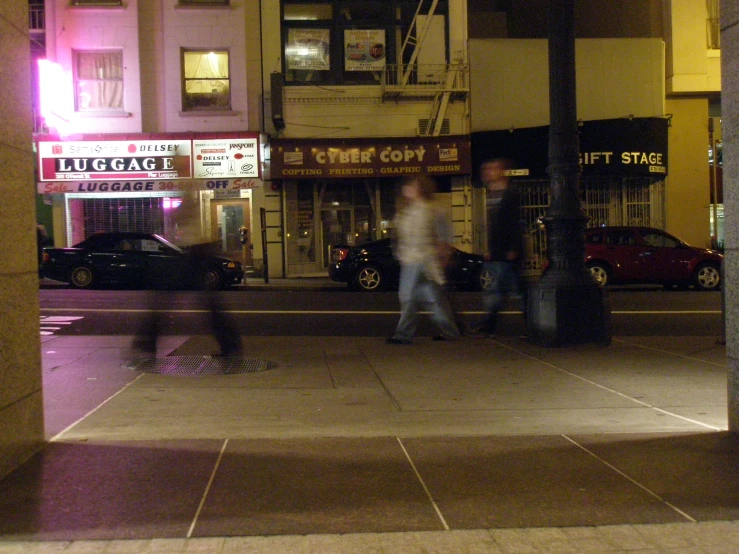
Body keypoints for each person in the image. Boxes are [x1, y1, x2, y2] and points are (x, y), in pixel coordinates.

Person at [133, 194, 242, 357]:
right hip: (195, 250)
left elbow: (182, 214)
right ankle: (230, 344)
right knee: (206, 302)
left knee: (166, 296)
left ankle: (146, 342)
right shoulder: (189, 191)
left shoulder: (189, 188)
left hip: (193, 251)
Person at [387, 175, 460, 344]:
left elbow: (444, 234)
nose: (407, 189)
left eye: (412, 185)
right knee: (432, 299)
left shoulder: (430, 209)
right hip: (414, 260)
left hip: (420, 259)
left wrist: (444, 255)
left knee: (407, 296)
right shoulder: (408, 210)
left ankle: (403, 334)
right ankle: (450, 331)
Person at [475, 158, 526, 337]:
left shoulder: (510, 194)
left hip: (508, 252)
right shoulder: (490, 194)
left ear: (502, 171)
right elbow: (492, 226)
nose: (488, 172)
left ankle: (532, 323)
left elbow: (514, 224)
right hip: (497, 252)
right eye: (486, 169)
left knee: (514, 291)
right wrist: (489, 248)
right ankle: (489, 325)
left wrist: (513, 248)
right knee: (496, 291)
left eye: (492, 169)